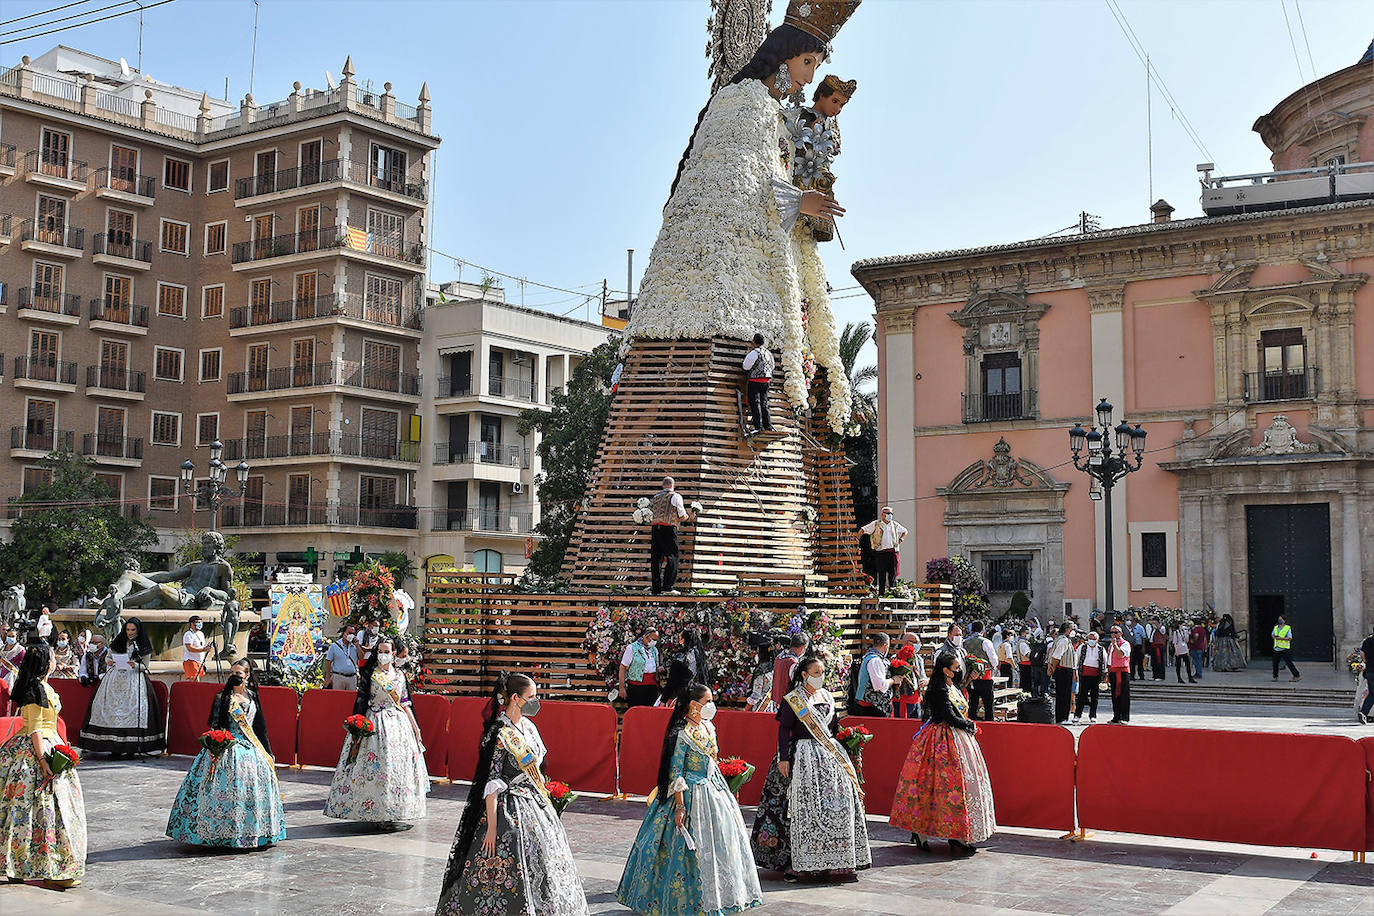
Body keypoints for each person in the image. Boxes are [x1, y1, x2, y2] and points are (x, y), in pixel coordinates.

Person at [435, 672, 587, 916]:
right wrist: (492, 828)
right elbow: (492, 782)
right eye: (532, 697)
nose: (536, 702)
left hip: (535, 804)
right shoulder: (499, 734)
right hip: (509, 807)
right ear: (515, 698)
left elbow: (537, 767)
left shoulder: (529, 727)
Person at [617, 682, 762, 915]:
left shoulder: (708, 728)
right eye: (707, 702)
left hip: (713, 791)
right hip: (689, 794)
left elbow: (712, 761)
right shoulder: (682, 734)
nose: (711, 706)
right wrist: (681, 807)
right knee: (683, 850)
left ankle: (721, 896)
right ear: (693, 705)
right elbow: (676, 772)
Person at [751, 655, 871, 882]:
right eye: (816, 673)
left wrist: (849, 740)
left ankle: (836, 861)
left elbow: (834, 727)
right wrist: (784, 758)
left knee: (836, 806)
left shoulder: (827, 696)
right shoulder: (793, 699)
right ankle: (797, 863)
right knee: (799, 807)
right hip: (802, 756)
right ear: (804, 674)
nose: (821, 676)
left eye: (822, 672)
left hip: (829, 755)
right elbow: (784, 730)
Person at [166, 657, 285, 848]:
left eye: (239, 674)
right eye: (232, 673)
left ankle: (253, 832)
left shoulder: (253, 696)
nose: (234, 677)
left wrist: (268, 751)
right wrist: (215, 747)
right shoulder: (223, 697)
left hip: (251, 749)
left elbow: (260, 726)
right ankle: (217, 833)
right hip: (227, 748)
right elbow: (215, 724)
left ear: (247, 676)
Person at [889, 651, 996, 856]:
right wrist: (969, 725)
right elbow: (947, 714)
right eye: (955, 668)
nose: (958, 671)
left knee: (954, 787)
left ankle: (956, 834)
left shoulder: (950, 686)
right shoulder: (938, 688)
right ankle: (925, 832)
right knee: (940, 786)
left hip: (956, 738)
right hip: (942, 740)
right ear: (945, 670)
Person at [0, 644, 86, 887]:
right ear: (46, 663)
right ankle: (52, 870)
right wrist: (42, 761)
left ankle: (18, 865)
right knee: (46, 810)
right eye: (51, 657)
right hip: (39, 750)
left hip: (44, 745)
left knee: (25, 810)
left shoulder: (39, 686)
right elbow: (36, 728)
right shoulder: (36, 689)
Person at [324, 637, 429, 828]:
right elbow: (361, 702)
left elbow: (405, 704)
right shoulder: (370, 675)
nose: (383, 655)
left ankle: (393, 812)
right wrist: (357, 727)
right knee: (375, 769)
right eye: (380, 651)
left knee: (396, 770)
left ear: (394, 654)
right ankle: (373, 811)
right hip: (375, 724)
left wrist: (416, 728)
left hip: (398, 727)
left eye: (387, 651)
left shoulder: (399, 677)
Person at [79, 617, 165, 757]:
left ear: (138, 630)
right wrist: (111, 661)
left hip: (134, 680)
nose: (130, 632)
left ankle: (131, 748)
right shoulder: (118, 642)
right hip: (114, 678)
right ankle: (115, 748)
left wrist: (135, 665)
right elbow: (108, 656)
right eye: (128, 629)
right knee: (107, 709)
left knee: (133, 710)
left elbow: (145, 667)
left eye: (133, 630)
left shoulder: (143, 645)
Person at [648, 476, 696, 596]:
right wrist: (690, 516)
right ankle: (668, 587)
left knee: (656, 558)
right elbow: (681, 515)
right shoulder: (675, 496)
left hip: (655, 527)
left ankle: (656, 588)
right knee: (672, 557)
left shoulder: (656, 497)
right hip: (668, 528)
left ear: (663, 485)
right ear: (673, 485)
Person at [858, 507, 907, 594]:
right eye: (888, 513)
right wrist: (857, 539)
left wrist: (901, 540)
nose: (890, 515)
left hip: (892, 552)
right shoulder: (876, 524)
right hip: (881, 552)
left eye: (891, 514)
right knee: (882, 574)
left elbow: (905, 531)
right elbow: (863, 530)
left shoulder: (894, 525)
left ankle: (893, 592)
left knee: (893, 574)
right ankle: (881, 593)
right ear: (882, 514)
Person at [851, 631, 893, 717]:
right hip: (872, 707)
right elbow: (880, 686)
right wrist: (893, 680)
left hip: (870, 705)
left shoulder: (869, 656)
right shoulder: (875, 660)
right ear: (885, 646)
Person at [962, 622, 997, 722]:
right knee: (988, 704)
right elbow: (994, 660)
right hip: (985, 677)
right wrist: (991, 667)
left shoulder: (964, 642)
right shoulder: (986, 642)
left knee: (972, 704)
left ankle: (971, 723)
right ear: (983, 630)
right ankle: (989, 724)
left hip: (970, 678)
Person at [618, 626, 660, 708]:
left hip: (652, 687)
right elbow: (622, 668)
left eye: (656, 640)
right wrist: (621, 688)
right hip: (636, 687)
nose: (655, 642)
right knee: (636, 713)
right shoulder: (632, 648)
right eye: (653, 639)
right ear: (646, 636)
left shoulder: (654, 650)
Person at [742, 332, 775, 433]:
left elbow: (745, 366)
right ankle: (768, 425)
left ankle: (758, 426)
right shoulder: (768, 353)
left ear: (754, 342)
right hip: (766, 381)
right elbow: (772, 366)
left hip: (754, 381)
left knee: (755, 403)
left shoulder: (754, 353)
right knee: (764, 403)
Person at [1072, 630, 1107, 724]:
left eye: (1094, 639)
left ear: (1097, 640)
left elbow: (1105, 662)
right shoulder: (1082, 647)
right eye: (1090, 638)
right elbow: (1076, 659)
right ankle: (1077, 715)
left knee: (1094, 697)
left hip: (1096, 675)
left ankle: (1093, 715)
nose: (1091, 640)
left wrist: (1105, 675)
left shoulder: (1101, 649)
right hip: (1084, 675)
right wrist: (1075, 672)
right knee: (1081, 696)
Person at [892, 629, 928, 719]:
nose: (918, 645)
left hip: (916, 699)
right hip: (902, 700)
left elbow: (923, 676)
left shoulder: (919, 659)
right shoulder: (896, 659)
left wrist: (926, 681)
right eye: (915, 642)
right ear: (907, 642)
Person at [1047, 621, 1078, 724]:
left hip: (1064, 669)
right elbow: (1056, 656)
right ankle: (1063, 718)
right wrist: (1053, 668)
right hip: (1063, 670)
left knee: (1063, 694)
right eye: (1072, 629)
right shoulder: (1063, 641)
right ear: (1067, 629)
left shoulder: (1063, 640)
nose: (1073, 631)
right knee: (1064, 695)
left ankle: (1062, 717)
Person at [771, 632, 809, 709]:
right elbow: (797, 685)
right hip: (789, 704)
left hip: (777, 701)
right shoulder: (793, 662)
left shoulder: (779, 657)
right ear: (802, 647)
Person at [1106, 625, 1132, 724]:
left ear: (1121, 633)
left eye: (1116, 632)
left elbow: (1120, 655)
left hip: (1122, 672)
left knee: (1124, 695)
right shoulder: (1110, 645)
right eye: (1112, 632)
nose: (1114, 635)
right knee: (1115, 695)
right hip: (1113, 671)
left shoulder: (1125, 644)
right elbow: (1109, 659)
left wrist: (1115, 645)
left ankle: (1124, 717)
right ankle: (1116, 716)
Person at [324, 624, 360, 691]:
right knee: (338, 699)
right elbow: (328, 661)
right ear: (344, 633)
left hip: (352, 678)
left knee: (351, 700)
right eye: (349, 633)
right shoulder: (334, 646)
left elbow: (361, 658)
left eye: (353, 633)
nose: (351, 635)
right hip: (338, 677)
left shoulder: (355, 646)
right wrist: (327, 677)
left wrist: (358, 646)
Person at [744, 642, 777, 714]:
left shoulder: (760, 670)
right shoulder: (774, 668)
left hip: (760, 708)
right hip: (770, 707)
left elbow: (756, 694)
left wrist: (746, 709)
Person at [1271, 614, 1301, 682]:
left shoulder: (1287, 628)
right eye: (1279, 619)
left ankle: (1296, 676)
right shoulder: (1276, 627)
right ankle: (1275, 676)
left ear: (1284, 620)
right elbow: (1272, 635)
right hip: (1277, 648)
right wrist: (1275, 637)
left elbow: (1289, 638)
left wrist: (1280, 638)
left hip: (1284, 648)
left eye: (1281, 619)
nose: (1279, 620)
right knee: (1275, 663)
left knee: (1289, 663)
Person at [181, 615, 209, 681]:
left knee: (197, 680)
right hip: (191, 661)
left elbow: (201, 645)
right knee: (195, 681)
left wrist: (206, 648)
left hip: (199, 661)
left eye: (200, 622)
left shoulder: (201, 633)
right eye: (197, 622)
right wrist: (202, 650)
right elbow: (189, 648)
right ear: (192, 623)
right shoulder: (188, 634)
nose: (199, 624)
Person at [1357, 623, 1374, 725]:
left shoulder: (1367, 641)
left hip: (1370, 671)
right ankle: (1363, 712)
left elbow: (1362, 653)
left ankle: (1363, 713)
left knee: (1372, 693)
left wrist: (1367, 662)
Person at [1188, 618, 1209, 682]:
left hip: (1195, 647)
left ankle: (1199, 673)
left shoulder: (1196, 629)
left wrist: (1192, 641)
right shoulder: (1202, 629)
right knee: (1198, 661)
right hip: (1201, 647)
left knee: (1196, 661)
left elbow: (1196, 636)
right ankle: (1198, 673)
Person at [1126, 615, 1146, 680]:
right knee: (1132, 662)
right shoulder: (1129, 628)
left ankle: (1141, 675)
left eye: (1131, 620)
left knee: (1140, 662)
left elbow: (1143, 637)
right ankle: (1132, 676)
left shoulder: (1140, 628)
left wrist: (1143, 647)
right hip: (1131, 646)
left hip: (1138, 646)